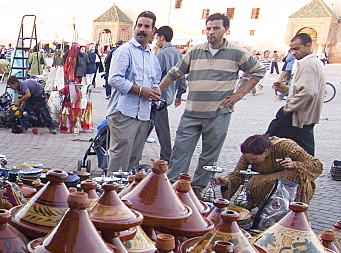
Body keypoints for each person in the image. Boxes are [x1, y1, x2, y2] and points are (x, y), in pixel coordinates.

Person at [158, 13, 266, 189]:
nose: (211, 32)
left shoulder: (237, 52)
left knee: (209, 157)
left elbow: (259, 70)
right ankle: (172, 189)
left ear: (226, 30)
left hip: (218, 114)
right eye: (208, 28)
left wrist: (240, 94)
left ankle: (198, 190)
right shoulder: (195, 51)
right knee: (180, 152)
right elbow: (174, 73)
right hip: (192, 113)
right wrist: (158, 90)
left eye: (216, 28)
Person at [105, 12, 163, 174]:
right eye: (139, 25)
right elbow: (114, 79)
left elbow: (155, 80)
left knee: (133, 158)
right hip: (123, 112)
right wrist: (140, 90)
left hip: (143, 114)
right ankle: (111, 195)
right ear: (134, 27)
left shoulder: (152, 56)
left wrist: (156, 90)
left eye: (146, 26)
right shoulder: (124, 51)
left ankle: (126, 196)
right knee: (119, 157)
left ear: (153, 30)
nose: (142, 30)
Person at [215, 134, 322, 208]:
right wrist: (226, 181)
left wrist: (295, 164)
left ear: (265, 151)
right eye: (248, 159)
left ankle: (295, 212)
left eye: (254, 159)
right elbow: (239, 173)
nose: (251, 162)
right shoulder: (249, 154)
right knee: (251, 184)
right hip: (266, 184)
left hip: (294, 184)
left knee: (297, 172)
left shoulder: (285, 146)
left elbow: (316, 165)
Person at [267, 32, 324, 155]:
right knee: (297, 151)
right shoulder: (313, 62)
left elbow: (308, 92)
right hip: (302, 116)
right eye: (291, 49)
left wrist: (288, 108)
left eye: (297, 48)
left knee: (267, 143)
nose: (293, 52)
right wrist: (286, 90)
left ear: (308, 46)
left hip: (298, 116)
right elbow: (305, 89)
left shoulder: (309, 64)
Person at [153, 25, 186, 162]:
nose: (156, 41)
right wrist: (179, 94)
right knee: (156, 127)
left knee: (161, 130)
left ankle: (166, 158)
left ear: (162, 37)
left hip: (157, 97)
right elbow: (182, 76)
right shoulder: (178, 54)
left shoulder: (161, 54)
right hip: (168, 97)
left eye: (157, 38)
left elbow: (154, 76)